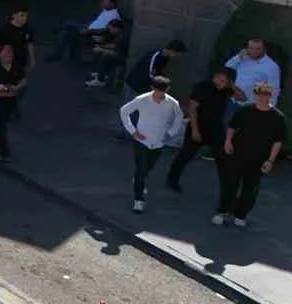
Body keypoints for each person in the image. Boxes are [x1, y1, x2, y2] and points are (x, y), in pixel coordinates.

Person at [217, 81, 285, 226]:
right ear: (255, 96)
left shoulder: (278, 117)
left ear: (269, 96)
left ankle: (240, 215)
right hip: (237, 154)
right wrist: (228, 142)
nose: (261, 98)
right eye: (258, 95)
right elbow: (232, 127)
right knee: (230, 184)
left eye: (264, 95)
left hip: (259, 159)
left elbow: (278, 141)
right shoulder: (245, 110)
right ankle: (223, 211)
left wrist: (270, 160)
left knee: (250, 189)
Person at [167, 66, 240, 194]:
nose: (218, 81)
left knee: (223, 158)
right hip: (198, 125)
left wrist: (231, 85)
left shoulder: (227, 90)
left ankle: (227, 189)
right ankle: (172, 180)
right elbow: (193, 108)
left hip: (215, 128)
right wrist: (195, 130)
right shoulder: (203, 87)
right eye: (217, 77)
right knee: (185, 155)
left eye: (223, 80)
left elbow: (242, 97)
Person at [119, 75, 186, 214]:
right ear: (152, 88)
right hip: (141, 141)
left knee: (148, 166)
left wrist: (171, 133)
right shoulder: (142, 99)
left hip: (159, 142)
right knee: (141, 167)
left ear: (167, 89)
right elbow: (124, 111)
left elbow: (179, 117)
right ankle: (138, 199)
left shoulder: (172, 103)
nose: (159, 94)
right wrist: (133, 131)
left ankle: (140, 178)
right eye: (157, 91)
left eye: (162, 91)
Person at [0, 44, 27, 163]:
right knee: (2, 124)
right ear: (0, 55)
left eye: (10, 54)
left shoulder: (17, 67)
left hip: (10, 98)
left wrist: (17, 87)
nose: (7, 56)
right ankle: (5, 152)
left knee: (2, 120)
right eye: (5, 53)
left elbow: (23, 80)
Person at [48, 0, 121, 62]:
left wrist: (88, 31)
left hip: (92, 35)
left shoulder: (114, 17)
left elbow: (106, 30)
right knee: (68, 23)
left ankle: (58, 51)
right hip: (87, 28)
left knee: (66, 32)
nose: (103, 2)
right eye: (103, 1)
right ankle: (61, 33)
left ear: (112, 4)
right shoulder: (106, 10)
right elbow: (97, 21)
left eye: (106, 1)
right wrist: (87, 26)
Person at [225, 38, 281, 108]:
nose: (254, 51)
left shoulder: (272, 66)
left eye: (258, 49)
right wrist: (239, 56)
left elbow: (274, 90)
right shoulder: (243, 58)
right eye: (251, 48)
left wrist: (268, 107)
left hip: (250, 105)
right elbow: (228, 65)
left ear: (264, 50)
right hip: (234, 100)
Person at [83, 19, 125, 88]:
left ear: (116, 28)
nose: (109, 30)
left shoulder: (122, 37)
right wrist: (101, 47)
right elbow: (113, 45)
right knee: (100, 52)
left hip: (123, 57)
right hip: (117, 52)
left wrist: (101, 49)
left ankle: (100, 80)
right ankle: (97, 73)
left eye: (110, 28)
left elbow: (116, 52)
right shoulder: (114, 33)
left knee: (105, 55)